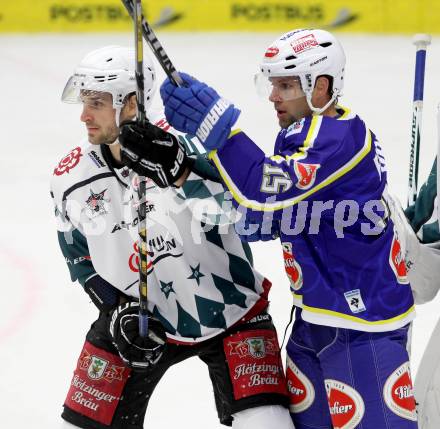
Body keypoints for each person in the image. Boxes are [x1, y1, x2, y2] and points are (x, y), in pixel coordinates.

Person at [131, 28, 421, 428]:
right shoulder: (298, 136)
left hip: (363, 327)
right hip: (315, 318)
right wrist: (183, 169)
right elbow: (261, 218)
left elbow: (260, 189)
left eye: (285, 85)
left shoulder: (340, 140)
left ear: (320, 87)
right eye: (271, 84)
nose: (273, 96)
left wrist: (219, 129)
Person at [50, 45, 296, 429]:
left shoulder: (188, 145)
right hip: (138, 318)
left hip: (230, 306)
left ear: (130, 102)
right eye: (84, 102)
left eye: (96, 103)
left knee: (269, 425)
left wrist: (182, 172)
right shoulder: (71, 177)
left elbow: (243, 215)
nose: (83, 115)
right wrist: (114, 308)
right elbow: (77, 254)